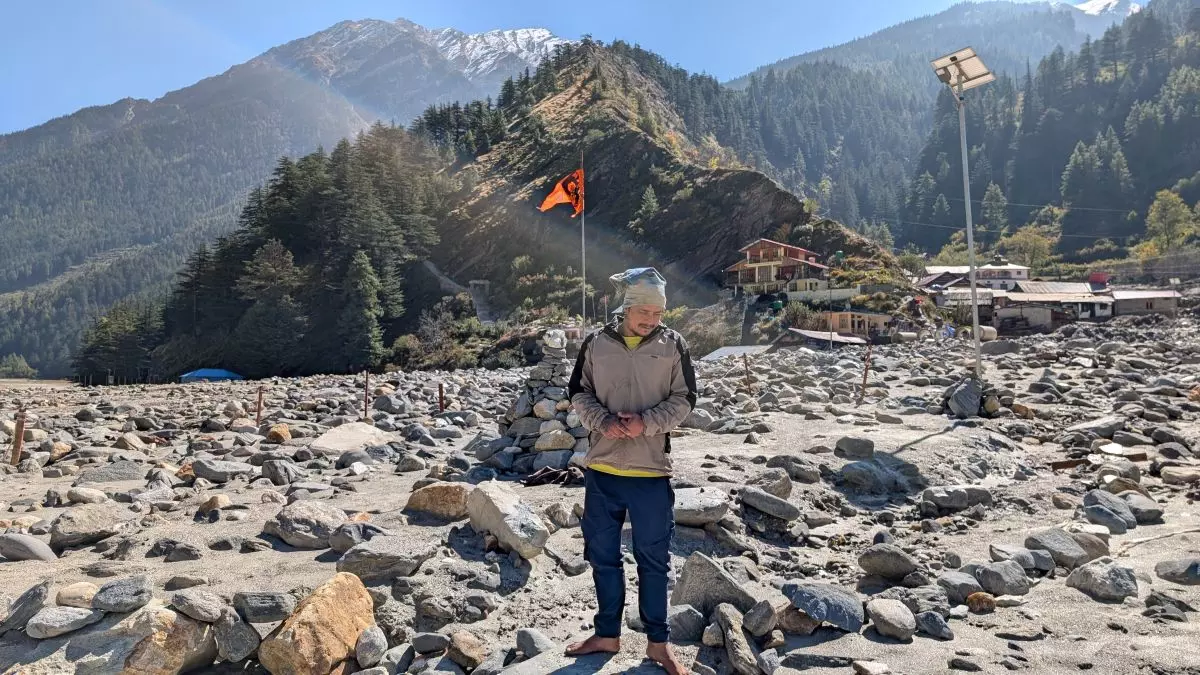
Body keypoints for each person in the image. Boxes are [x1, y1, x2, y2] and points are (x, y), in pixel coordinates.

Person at [565, 267, 697, 675]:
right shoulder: (596, 343)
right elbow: (578, 392)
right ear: (626, 307)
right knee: (603, 556)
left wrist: (647, 422)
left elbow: (685, 399)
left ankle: (658, 644)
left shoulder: (674, 346)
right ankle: (607, 634)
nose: (652, 320)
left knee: (654, 561)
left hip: (651, 472)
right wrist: (602, 421)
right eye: (644, 311)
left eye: (658, 313)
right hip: (602, 469)